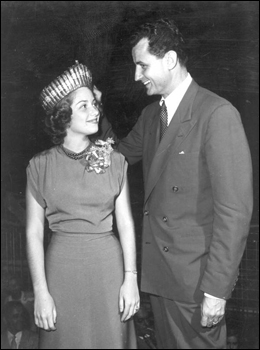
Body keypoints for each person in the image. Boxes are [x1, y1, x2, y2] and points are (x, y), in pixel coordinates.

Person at [97, 18, 253, 349]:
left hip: (197, 285)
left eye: (142, 66)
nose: (136, 76)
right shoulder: (152, 116)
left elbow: (234, 212)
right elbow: (118, 157)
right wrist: (94, 113)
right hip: (159, 277)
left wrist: (217, 290)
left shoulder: (216, 114)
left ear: (169, 60)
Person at [25, 61, 139, 349]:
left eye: (94, 104)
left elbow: (125, 223)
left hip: (108, 270)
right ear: (64, 116)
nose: (95, 111)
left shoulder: (115, 161)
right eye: (84, 106)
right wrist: (40, 292)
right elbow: (34, 232)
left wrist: (130, 280)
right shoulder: (39, 166)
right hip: (61, 271)